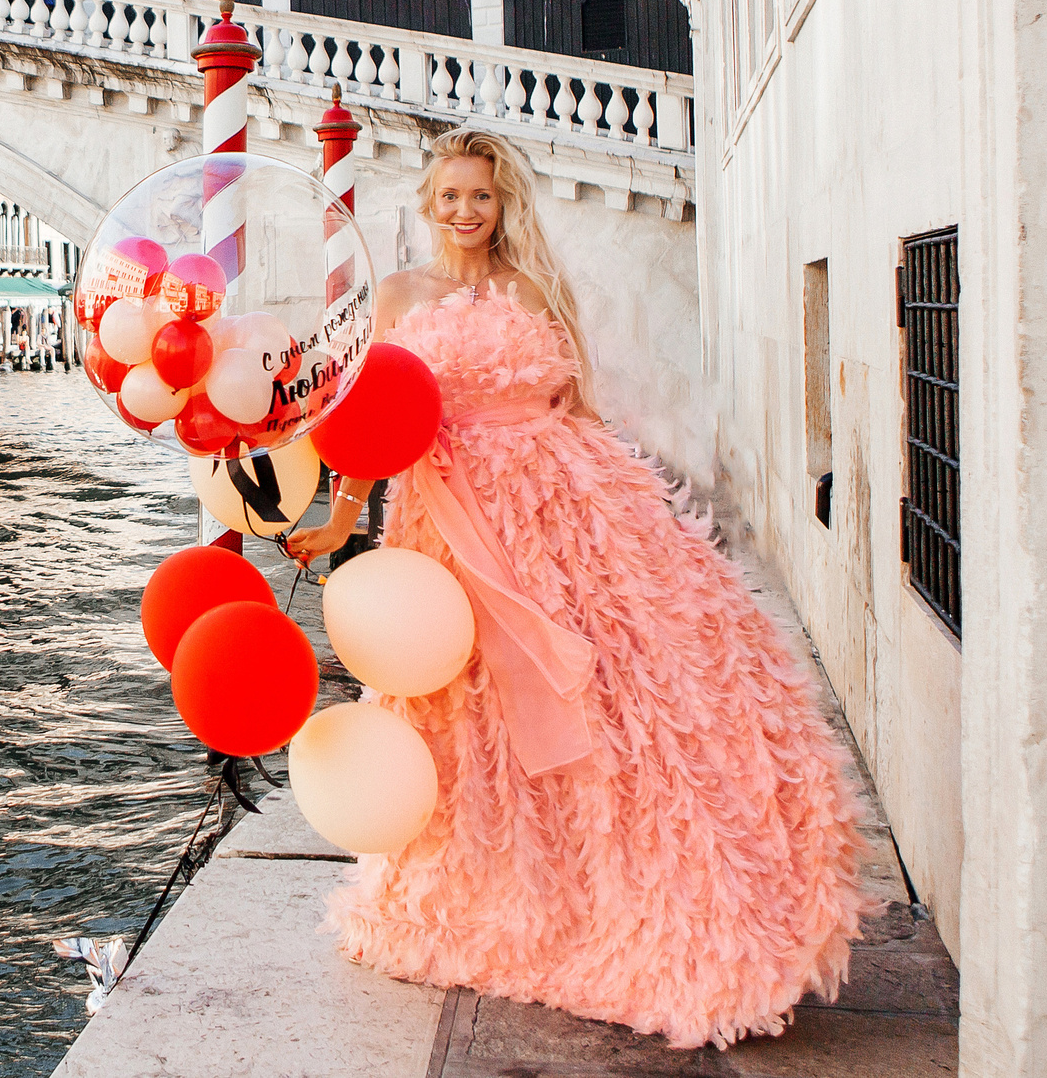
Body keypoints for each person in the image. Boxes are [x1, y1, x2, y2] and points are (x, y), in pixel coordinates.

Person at [281, 129, 865, 1050]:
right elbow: (366, 423)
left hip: (559, 512)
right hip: (447, 520)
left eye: (482, 197)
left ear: (502, 204)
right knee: (467, 705)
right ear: (426, 204)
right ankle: (495, 889)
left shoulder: (532, 289)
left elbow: (573, 406)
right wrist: (338, 514)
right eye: (450, 197)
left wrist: (631, 514)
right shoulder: (392, 296)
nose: (466, 213)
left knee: (621, 687)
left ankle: (636, 893)